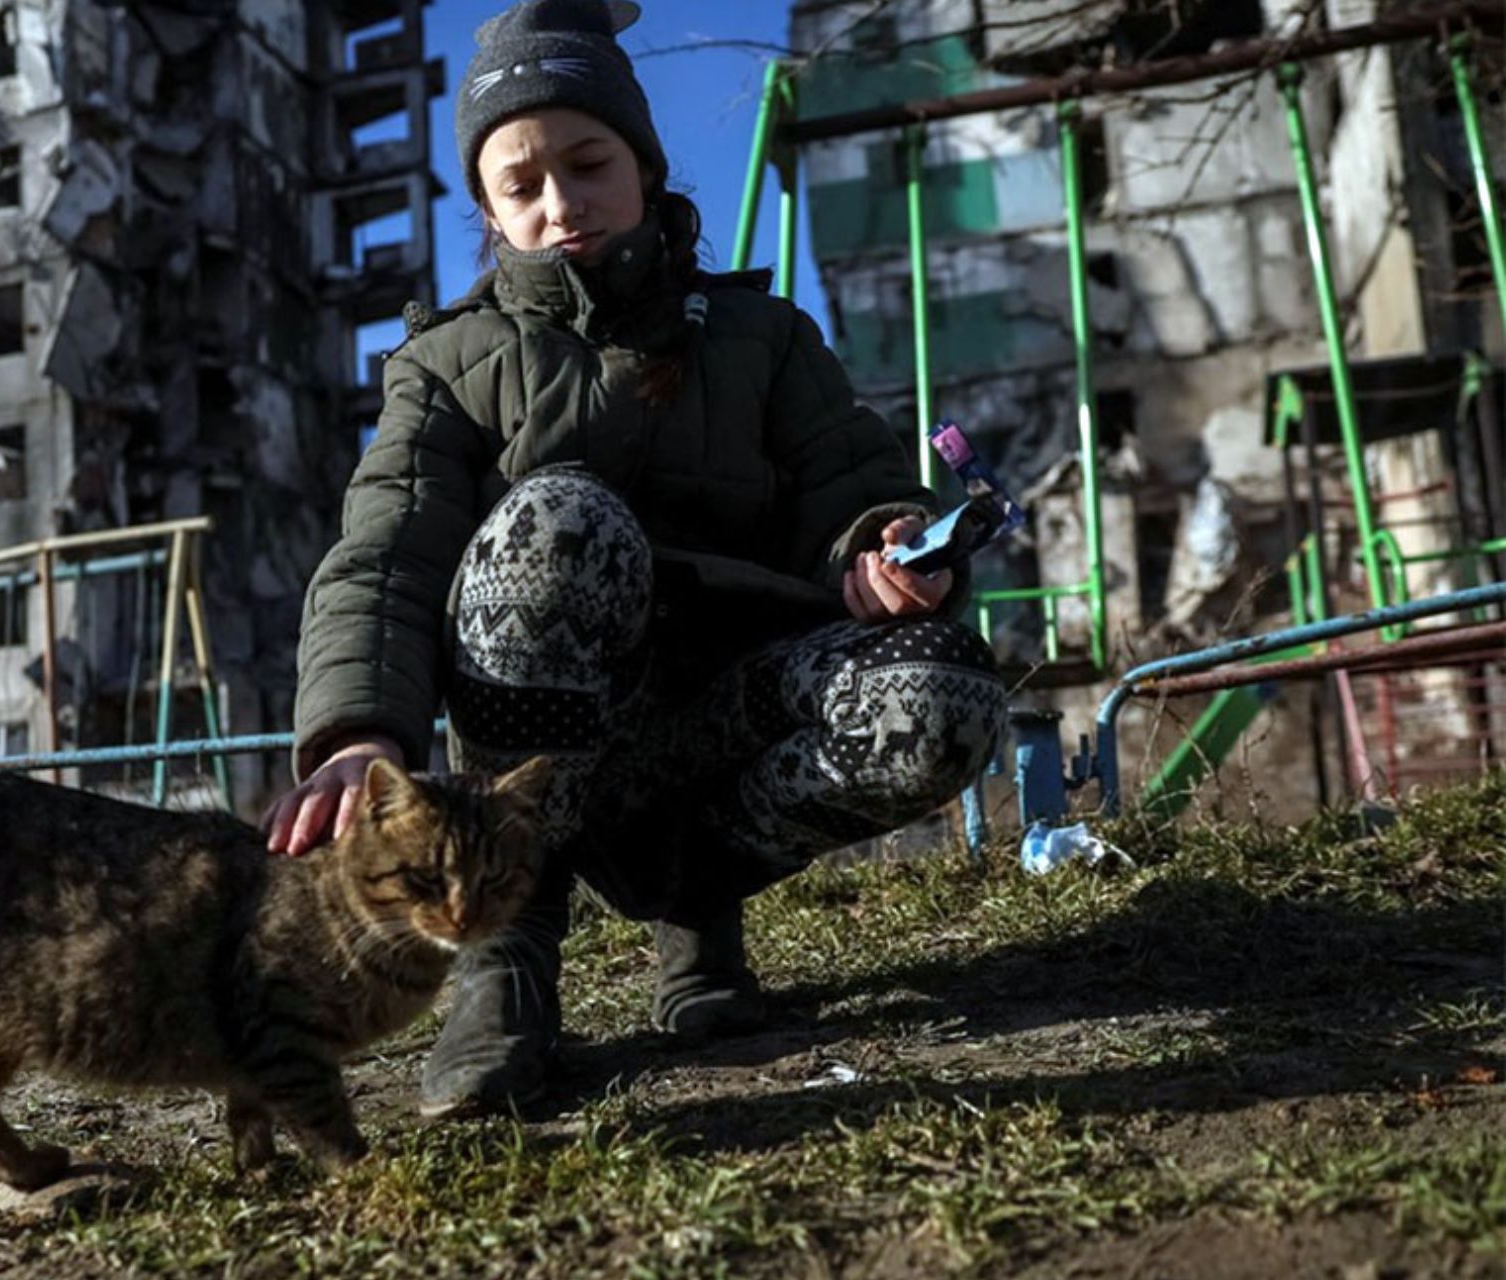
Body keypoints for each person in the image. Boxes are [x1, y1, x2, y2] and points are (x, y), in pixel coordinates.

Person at [265, 0, 1007, 1118]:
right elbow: (385, 553)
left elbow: (852, 484)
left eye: (587, 162)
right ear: (488, 208)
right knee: (558, 513)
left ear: (645, 167)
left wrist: (884, 549)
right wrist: (358, 726)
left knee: (943, 692)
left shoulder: (764, 339)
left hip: (726, 711)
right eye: (521, 184)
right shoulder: (445, 365)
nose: (560, 203)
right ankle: (505, 970)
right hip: (531, 757)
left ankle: (695, 910)